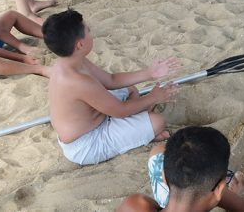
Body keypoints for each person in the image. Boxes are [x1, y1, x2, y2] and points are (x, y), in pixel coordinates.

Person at [43, 9, 178, 166]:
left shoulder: (69, 60)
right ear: (80, 44)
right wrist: (153, 97)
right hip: (87, 144)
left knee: (131, 89)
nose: (91, 33)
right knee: (158, 122)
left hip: (96, 120)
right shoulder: (77, 81)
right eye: (88, 31)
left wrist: (150, 73)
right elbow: (120, 111)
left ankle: (139, 128)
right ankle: (142, 131)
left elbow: (110, 80)